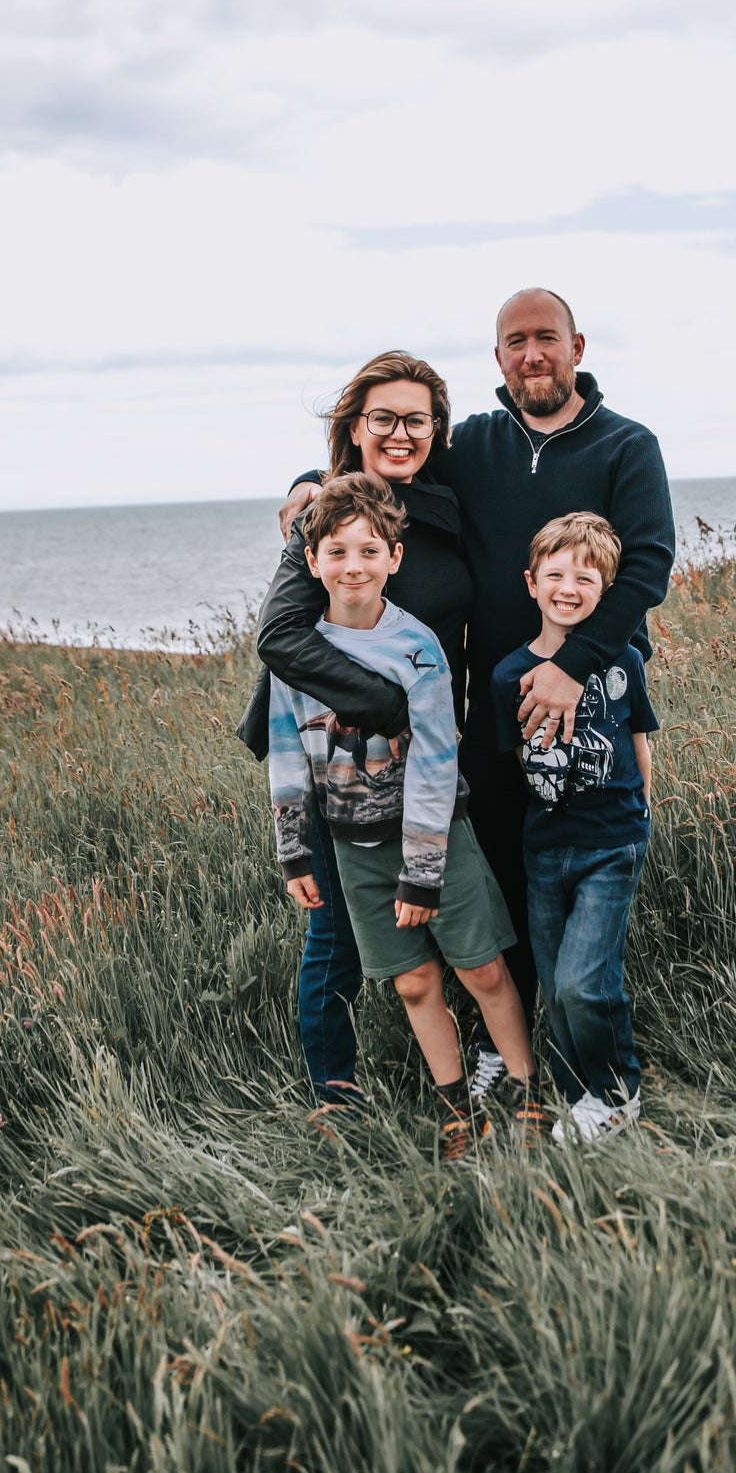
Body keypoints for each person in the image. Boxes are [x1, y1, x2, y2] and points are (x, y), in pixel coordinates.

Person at [273, 288, 675, 1095]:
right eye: (516, 341)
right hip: (478, 711)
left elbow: (648, 567)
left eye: (547, 339)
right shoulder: (475, 445)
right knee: (486, 873)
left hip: (574, 697)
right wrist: (304, 484)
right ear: (498, 358)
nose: (533, 354)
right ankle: (466, 1056)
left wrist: (575, 665)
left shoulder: (628, 446)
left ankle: (577, 1053)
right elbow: (380, 455)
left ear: (577, 346)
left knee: (563, 868)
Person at [265, 472, 545, 1158]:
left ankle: (528, 1090)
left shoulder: (417, 648)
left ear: (394, 558)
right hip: (354, 845)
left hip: (435, 838)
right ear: (312, 562)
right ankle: (458, 1110)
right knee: (415, 980)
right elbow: (284, 752)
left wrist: (422, 873)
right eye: (336, 552)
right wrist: (294, 850)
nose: (352, 565)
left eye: (368, 551)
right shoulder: (295, 650)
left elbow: (434, 763)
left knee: (480, 969)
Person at [239, 350, 473, 1111]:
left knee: (448, 915)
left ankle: (472, 1068)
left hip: (433, 764)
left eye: (416, 419)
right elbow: (279, 637)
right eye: (383, 418)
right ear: (354, 426)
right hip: (335, 759)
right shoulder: (326, 512)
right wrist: (391, 709)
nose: (400, 433)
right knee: (336, 939)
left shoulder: (446, 503)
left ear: (438, 428)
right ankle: (335, 1098)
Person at [491, 513, 656, 1140]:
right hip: (544, 849)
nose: (568, 587)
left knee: (586, 982)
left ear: (606, 590)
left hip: (611, 843)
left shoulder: (623, 663)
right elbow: (518, 763)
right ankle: (577, 1092)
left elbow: (639, 743)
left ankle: (618, 1091)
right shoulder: (510, 674)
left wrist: (643, 812)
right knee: (556, 988)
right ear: (531, 584)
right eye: (555, 574)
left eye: (585, 577)